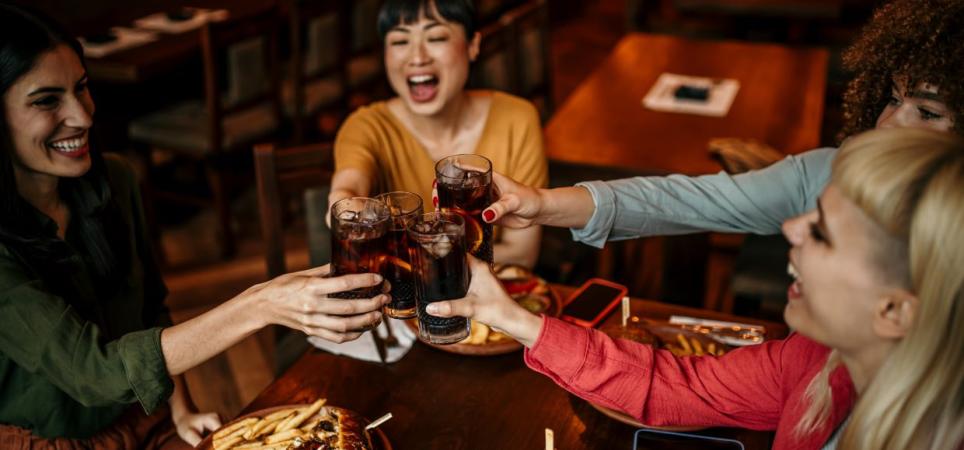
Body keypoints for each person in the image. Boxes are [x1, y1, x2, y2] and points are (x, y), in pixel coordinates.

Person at [429, 128, 964, 449]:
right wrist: (516, 319)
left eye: (821, 232)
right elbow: (677, 385)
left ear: (894, 310)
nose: (790, 229)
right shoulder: (814, 360)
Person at [0, 5, 387, 448]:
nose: (84, 116)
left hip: (146, 414)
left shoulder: (116, 181)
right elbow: (97, 374)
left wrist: (180, 408)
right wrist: (262, 304)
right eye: (47, 100)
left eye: (82, 87)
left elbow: (151, 309)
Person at [477, 0, 961, 247]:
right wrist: (541, 203)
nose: (889, 123)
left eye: (929, 112)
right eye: (893, 98)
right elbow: (686, 200)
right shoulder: (828, 175)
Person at [329, 0, 548, 268]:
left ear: (473, 46)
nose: (418, 57)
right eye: (400, 42)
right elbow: (349, 187)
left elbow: (523, 254)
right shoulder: (365, 125)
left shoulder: (516, 118)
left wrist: (425, 257)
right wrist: (344, 204)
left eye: (436, 37)